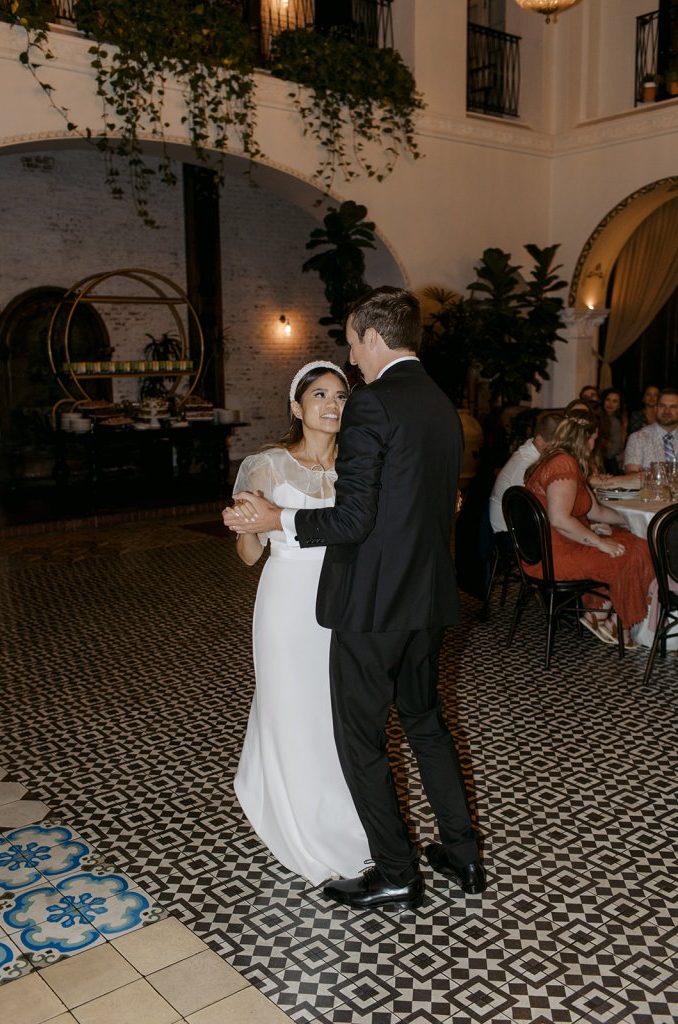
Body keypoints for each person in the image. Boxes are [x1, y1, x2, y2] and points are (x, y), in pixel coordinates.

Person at [225, 286, 484, 912]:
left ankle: (395, 871)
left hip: (373, 606)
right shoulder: (441, 404)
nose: (351, 358)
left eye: (351, 342)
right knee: (425, 723)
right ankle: (463, 854)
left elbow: (352, 520)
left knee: (360, 740)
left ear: (371, 335)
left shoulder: (374, 402)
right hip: (428, 599)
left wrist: (278, 519)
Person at [229, 361, 370, 886]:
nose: (332, 405)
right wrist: (246, 524)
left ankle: (341, 815)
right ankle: (302, 828)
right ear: (297, 406)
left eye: (340, 396)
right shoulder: (267, 465)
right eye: (320, 395)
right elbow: (249, 556)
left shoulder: (359, 466)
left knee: (334, 712)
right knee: (292, 707)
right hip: (287, 603)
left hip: (345, 602)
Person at [524, 412, 655, 647]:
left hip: (554, 546)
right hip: (555, 556)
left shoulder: (564, 460)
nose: (596, 444)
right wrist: (598, 541)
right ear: (586, 439)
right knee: (636, 551)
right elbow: (559, 520)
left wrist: (629, 521)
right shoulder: (563, 464)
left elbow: (596, 512)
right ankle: (615, 622)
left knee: (631, 540)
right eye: (595, 438)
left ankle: (598, 612)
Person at [489, 410, 563, 535]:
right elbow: (542, 508)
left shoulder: (534, 452)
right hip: (510, 535)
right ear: (539, 440)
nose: (561, 452)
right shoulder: (526, 465)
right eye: (556, 446)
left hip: (521, 524)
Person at [624, 388, 678, 472]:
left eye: (673, 407)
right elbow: (632, 474)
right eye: (662, 406)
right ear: (655, 409)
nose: (667, 411)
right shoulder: (637, 438)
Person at [597, 387, 628, 474]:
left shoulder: (618, 421)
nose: (610, 404)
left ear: (619, 405)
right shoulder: (596, 417)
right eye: (608, 400)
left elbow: (615, 449)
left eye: (614, 401)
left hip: (610, 464)